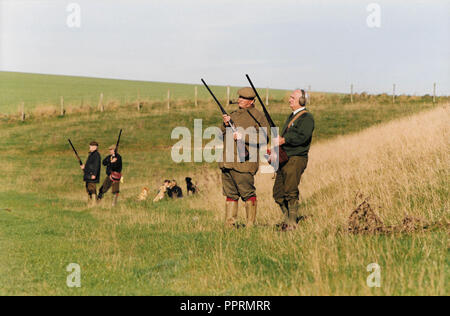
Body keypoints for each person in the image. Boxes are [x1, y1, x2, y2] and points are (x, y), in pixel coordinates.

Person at [220, 87, 270, 228]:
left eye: (244, 98)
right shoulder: (233, 114)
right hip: (227, 161)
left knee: (247, 193)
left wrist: (244, 136)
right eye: (240, 97)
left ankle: (250, 226)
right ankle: (229, 225)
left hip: (244, 163)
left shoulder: (258, 116)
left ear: (252, 101)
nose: (240, 100)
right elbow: (220, 135)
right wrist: (225, 125)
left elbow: (264, 137)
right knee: (230, 194)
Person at [272, 89, 315, 231]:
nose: (289, 100)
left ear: (301, 101)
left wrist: (284, 139)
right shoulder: (292, 116)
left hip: (296, 158)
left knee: (290, 191)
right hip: (285, 158)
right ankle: (287, 218)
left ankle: (291, 223)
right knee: (278, 193)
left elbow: (303, 137)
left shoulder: (307, 118)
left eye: (292, 98)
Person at [81, 141, 101, 206]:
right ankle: (90, 202)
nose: (89, 147)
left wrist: (94, 174)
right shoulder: (91, 154)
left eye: (91, 146)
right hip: (88, 175)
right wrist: (84, 167)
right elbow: (90, 165)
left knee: (92, 189)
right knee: (88, 189)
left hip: (92, 175)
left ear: (95, 147)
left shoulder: (96, 155)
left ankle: (94, 203)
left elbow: (96, 165)